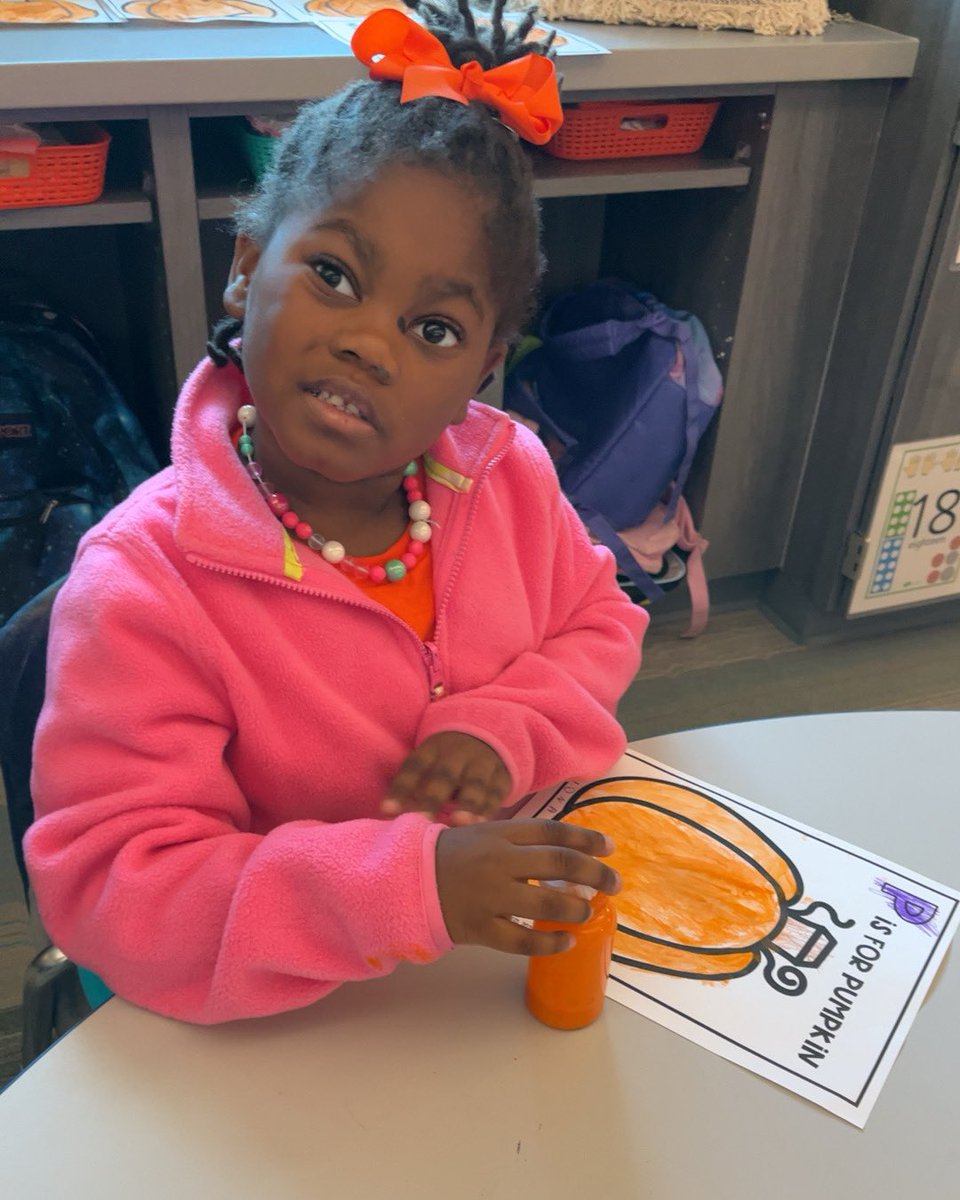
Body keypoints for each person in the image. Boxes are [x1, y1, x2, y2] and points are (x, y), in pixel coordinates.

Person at [25, 0, 646, 1024]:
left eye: (434, 328)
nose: (370, 343)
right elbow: (117, 894)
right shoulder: (144, 582)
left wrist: (501, 730)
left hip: (458, 997)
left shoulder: (509, 478)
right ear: (243, 268)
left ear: (482, 375)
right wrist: (413, 885)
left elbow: (602, 621)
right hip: (265, 1024)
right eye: (332, 274)